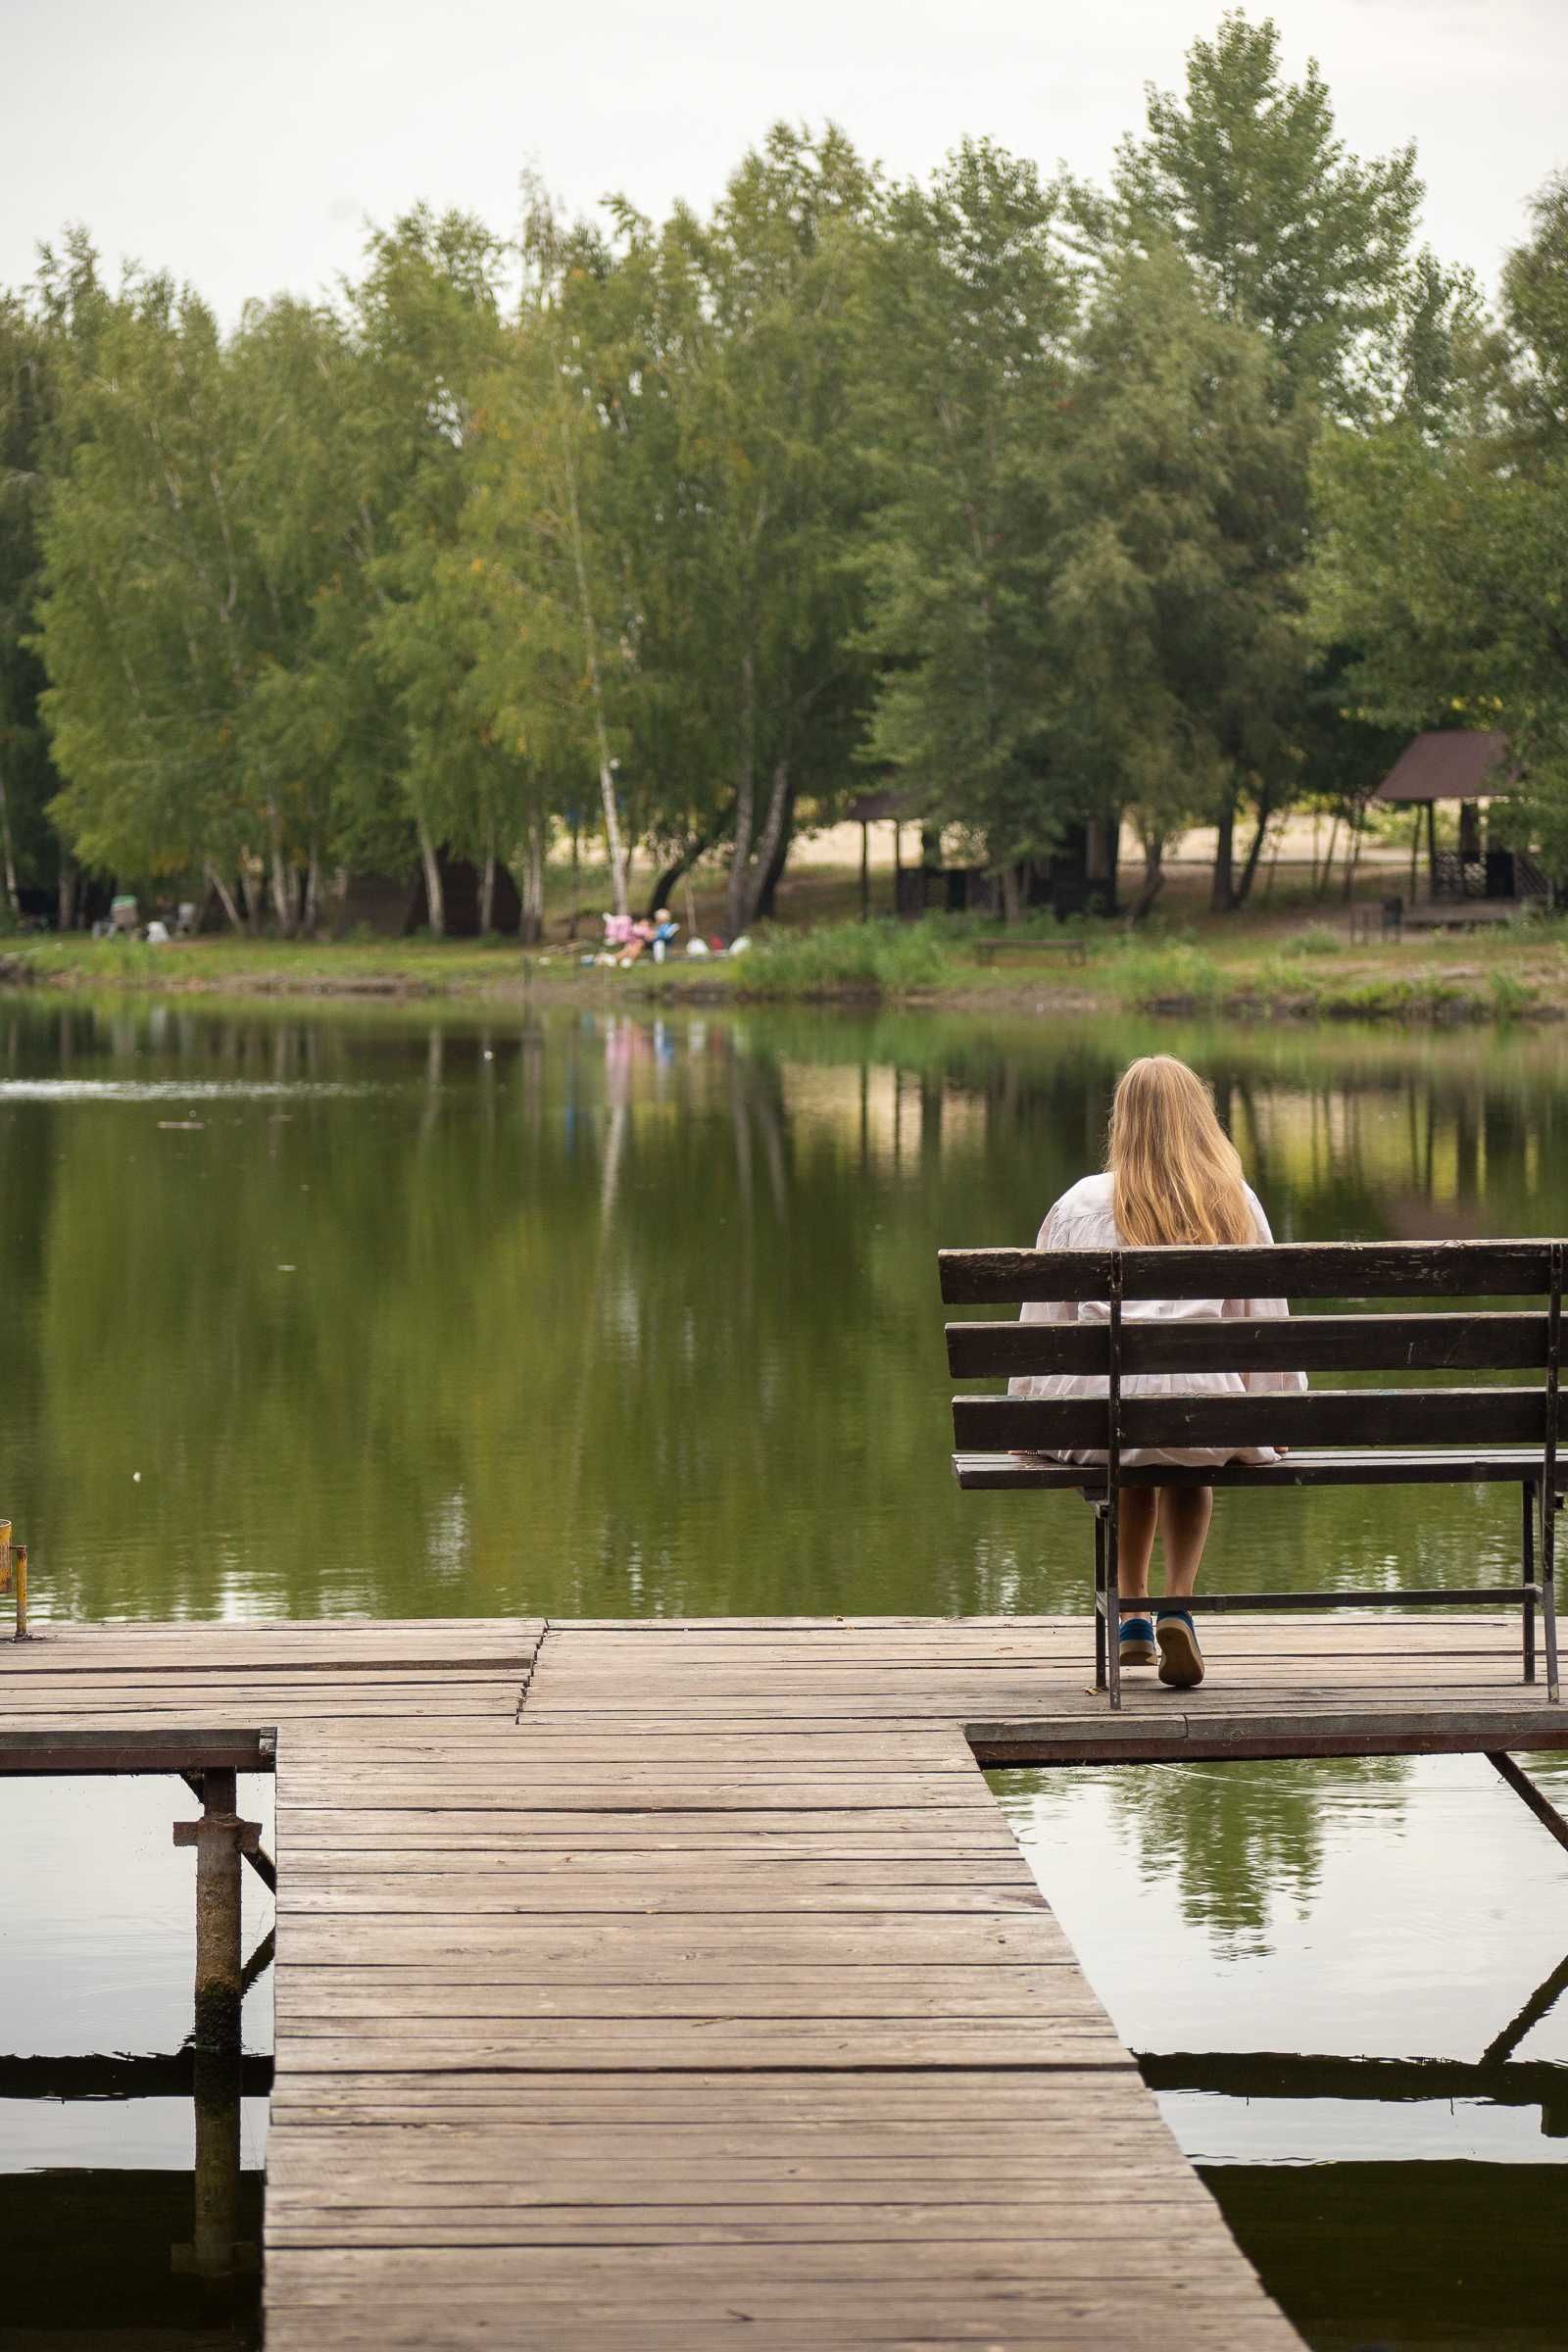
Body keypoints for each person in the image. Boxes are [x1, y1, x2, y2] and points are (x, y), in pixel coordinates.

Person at [1011, 1054, 1304, 1690]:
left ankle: (1132, 1615)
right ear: (1200, 1118)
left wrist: (1026, 1412)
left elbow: (1042, 1325)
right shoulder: (1235, 1201)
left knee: (1134, 1436)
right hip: (1206, 1415)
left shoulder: (1080, 1202)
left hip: (1103, 1420)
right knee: (1187, 1444)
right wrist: (1278, 1411)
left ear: (1124, 1122)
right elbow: (1268, 1322)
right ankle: (1178, 1604)